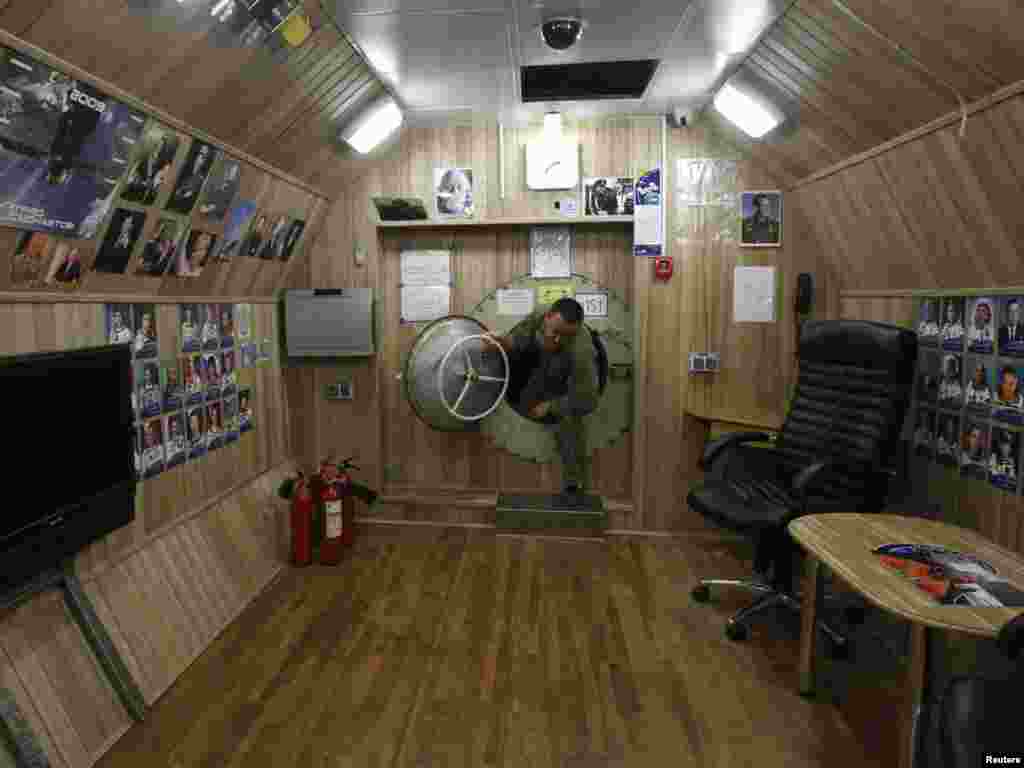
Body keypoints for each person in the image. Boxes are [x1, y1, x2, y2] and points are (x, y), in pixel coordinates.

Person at [486, 297, 599, 500]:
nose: (558, 339)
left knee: (569, 421)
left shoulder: (581, 351)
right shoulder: (540, 314)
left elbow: (589, 400)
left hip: (565, 378)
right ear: (547, 317)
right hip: (540, 359)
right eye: (555, 332)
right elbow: (522, 338)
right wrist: (504, 343)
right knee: (520, 350)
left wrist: (552, 405)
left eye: (566, 336)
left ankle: (574, 486)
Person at [122, 133, 177, 205]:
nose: (160, 148)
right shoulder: (146, 155)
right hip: (139, 181)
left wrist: (155, 181)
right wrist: (139, 177)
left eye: (163, 146)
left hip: (150, 185)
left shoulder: (164, 160)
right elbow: (137, 167)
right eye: (159, 145)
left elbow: (164, 170)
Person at [168, 142, 213, 213]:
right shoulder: (189, 161)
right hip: (175, 194)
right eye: (200, 153)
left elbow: (202, 184)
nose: (200, 158)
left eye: (204, 155)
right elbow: (179, 176)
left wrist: (191, 191)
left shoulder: (207, 168)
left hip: (188, 201)